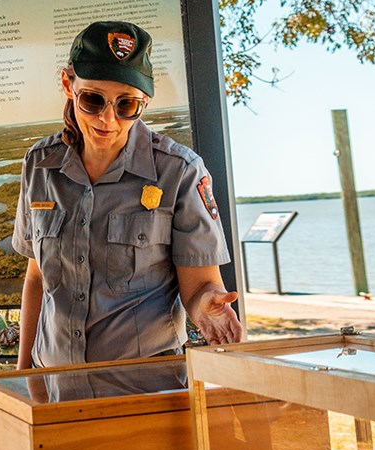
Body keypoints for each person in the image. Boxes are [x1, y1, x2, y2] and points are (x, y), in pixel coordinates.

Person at [12, 20, 243, 370]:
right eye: (92, 99)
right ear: (67, 84)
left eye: (127, 105)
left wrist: (208, 303)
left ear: (144, 103)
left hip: (145, 388)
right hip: (55, 382)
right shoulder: (39, 166)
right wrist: (26, 373)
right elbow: (36, 278)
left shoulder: (179, 172)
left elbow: (200, 285)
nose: (108, 118)